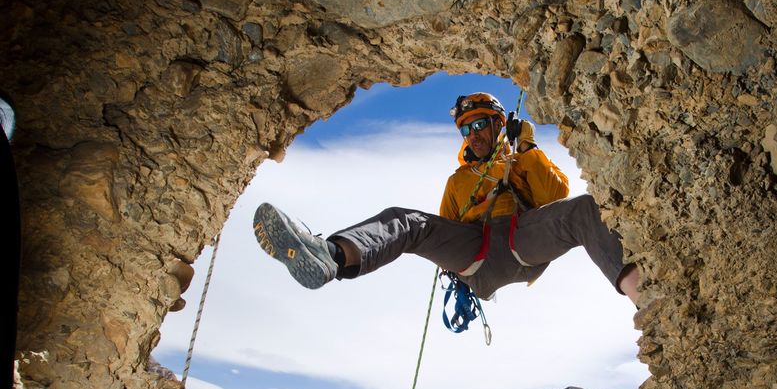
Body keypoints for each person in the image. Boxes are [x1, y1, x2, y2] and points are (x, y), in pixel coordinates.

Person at [253, 92, 639, 304]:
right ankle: (332, 257)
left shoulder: (521, 160)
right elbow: (445, 228)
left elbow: (556, 197)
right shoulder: (458, 182)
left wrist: (528, 148)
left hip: (523, 243)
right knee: (406, 222)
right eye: (466, 129)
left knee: (586, 210)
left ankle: (643, 299)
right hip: (477, 259)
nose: (472, 134)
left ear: (497, 125)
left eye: (479, 125)